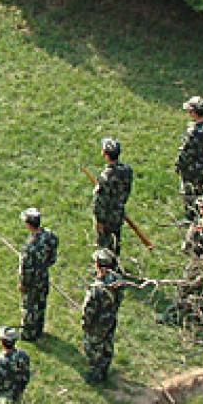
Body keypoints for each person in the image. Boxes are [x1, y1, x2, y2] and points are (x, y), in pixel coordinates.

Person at [161, 194, 203, 325]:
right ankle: (193, 316)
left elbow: (194, 246)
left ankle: (180, 316)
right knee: (200, 290)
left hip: (201, 263)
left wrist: (195, 235)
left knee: (188, 289)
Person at [81, 248, 123, 384]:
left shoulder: (96, 289)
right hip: (110, 319)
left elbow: (89, 311)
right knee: (107, 344)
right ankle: (104, 370)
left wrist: (85, 325)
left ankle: (96, 375)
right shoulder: (117, 281)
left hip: (96, 324)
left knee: (93, 348)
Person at [174, 96, 203, 221]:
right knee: (202, 191)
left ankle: (191, 217)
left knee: (188, 193)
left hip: (190, 166)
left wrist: (178, 164)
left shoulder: (193, 131)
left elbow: (186, 150)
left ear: (194, 112)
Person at [18, 208, 58, 341]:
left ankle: (29, 333)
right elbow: (52, 258)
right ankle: (39, 329)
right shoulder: (50, 236)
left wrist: (23, 283)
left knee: (29, 307)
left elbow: (25, 269)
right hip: (43, 276)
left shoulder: (29, 248)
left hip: (32, 281)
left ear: (29, 225)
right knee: (41, 303)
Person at [93, 138, 134, 255]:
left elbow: (99, 202)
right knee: (116, 241)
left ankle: (107, 263)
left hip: (107, 216)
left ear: (105, 154)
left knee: (104, 246)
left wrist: (99, 221)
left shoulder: (106, 176)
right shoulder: (127, 170)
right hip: (119, 212)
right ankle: (116, 260)